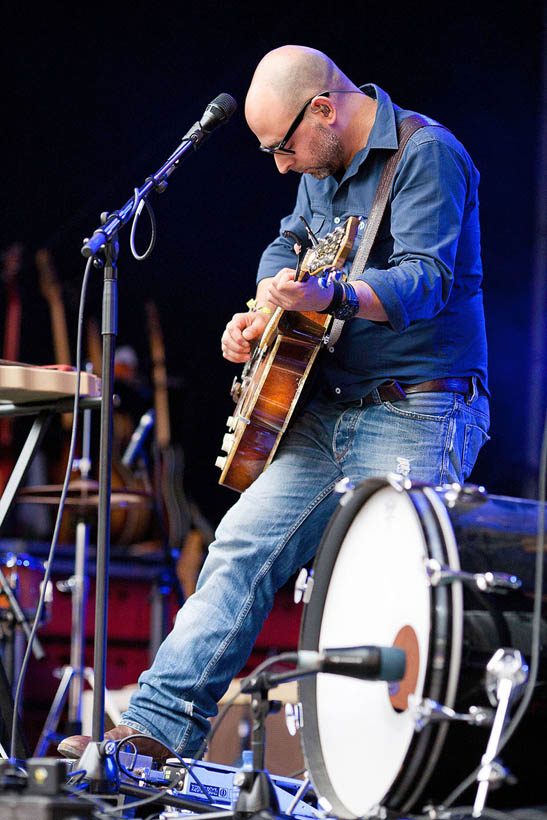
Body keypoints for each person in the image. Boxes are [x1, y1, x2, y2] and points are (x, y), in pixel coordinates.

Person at [59, 45, 490, 761]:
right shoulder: (319, 166)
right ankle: (155, 734)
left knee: (397, 593)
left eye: (284, 147)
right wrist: (265, 307)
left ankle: (402, 775)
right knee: (238, 550)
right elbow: (285, 245)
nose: (281, 166)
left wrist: (327, 296)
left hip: (419, 406)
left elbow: (423, 283)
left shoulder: (427, 154)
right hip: (325, 408)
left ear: (324, 108)